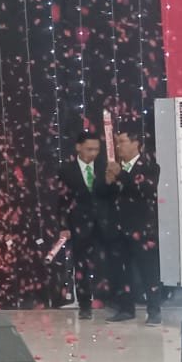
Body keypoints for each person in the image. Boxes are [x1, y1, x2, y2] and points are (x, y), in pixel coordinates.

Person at [57, 131, 118, 321]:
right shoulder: (66, 170)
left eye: (96, 149)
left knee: (110, 262)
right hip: (79, 224)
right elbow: (61, 200)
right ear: (78, 147)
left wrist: (112, 182)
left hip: (104, 223)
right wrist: (63, 225)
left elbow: (112, 196)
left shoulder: (104, 167)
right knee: (81, 265)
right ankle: (84, 304)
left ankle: (112, 299)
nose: (93, 153)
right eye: (89, 149)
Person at [105, 128, 162, 325]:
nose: (119, 146)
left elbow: (145, 190)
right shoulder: (115, 168)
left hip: (142, 228)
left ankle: (154, 311)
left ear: (136, 143)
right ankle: (126, 308)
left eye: (123, 141)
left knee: (148, 270)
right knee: (122, 270)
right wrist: (108, 182)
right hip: (119, 228)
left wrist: (121, 175)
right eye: (117, 143)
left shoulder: (150, 167)